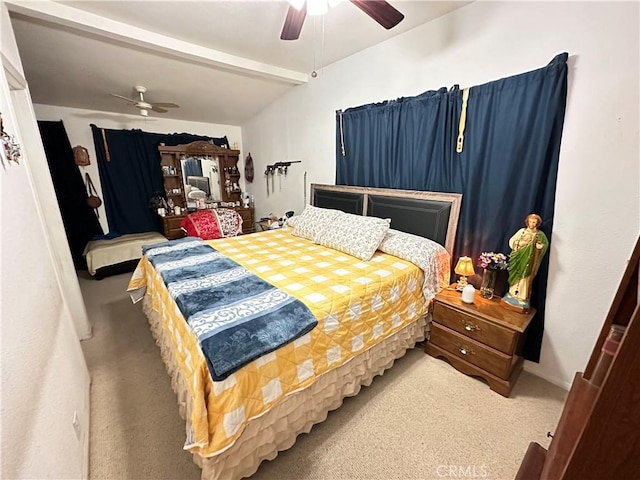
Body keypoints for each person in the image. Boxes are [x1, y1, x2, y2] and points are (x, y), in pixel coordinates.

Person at [502, 214, 549, 312]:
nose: (532, 224)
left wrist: (540, 247)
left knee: (525, 279)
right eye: (530, 221)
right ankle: (512, 294)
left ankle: (522, 297)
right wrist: (519, 244)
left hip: (529, 261)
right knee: (516, 276)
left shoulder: (539, 235)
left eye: (534, 222)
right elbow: (512, 241)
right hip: (518, 258)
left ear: (537, 223)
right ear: (527, 222)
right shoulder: (522, 231)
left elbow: (544, 244)